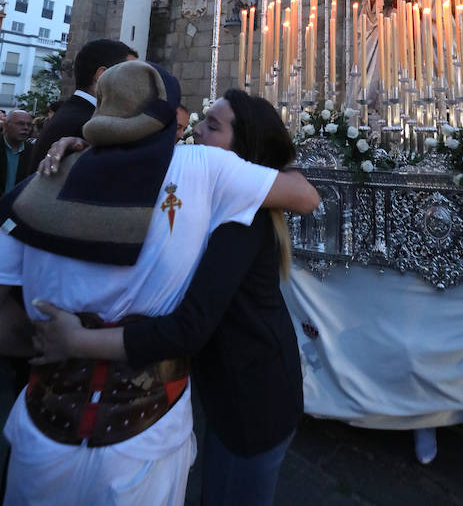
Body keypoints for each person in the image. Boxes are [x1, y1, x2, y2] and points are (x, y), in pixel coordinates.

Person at [0, 61, 318, 506]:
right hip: (146, 430)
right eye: (192, 123)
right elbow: (303, 193)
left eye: (210, 125)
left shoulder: (36, 190)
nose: (195, 135)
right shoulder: (198, 169)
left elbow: (9, 321)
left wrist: (69, 340)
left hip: (239, 392)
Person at [28, 37, 138, 169]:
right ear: (103, 76)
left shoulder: (72, 115)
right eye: (132, 75)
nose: (137, 85)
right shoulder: (87, 125)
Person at [0, 109, 33, 195]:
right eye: (20, 123)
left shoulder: (32, 151)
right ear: (6, 125)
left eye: (29, 124)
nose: (26, 128)